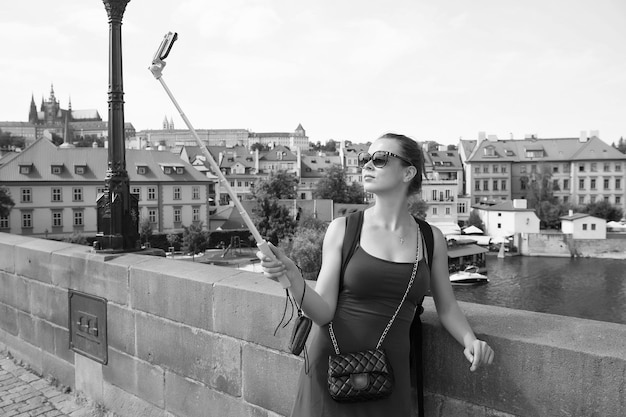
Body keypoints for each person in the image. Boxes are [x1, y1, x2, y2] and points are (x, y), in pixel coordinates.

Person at [258, 133, 494, 416]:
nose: (367, 165)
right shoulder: (343, 229)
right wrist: (294, 277)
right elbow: (322, 312)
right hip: (331, 369)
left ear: (408, 172)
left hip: (389, 374)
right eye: (364, 159)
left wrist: (470, 340)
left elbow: (447, 307)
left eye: (380, 159)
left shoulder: (432, 239)